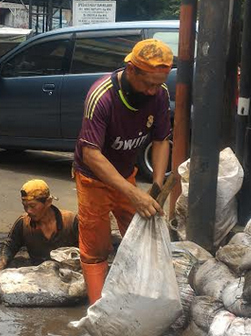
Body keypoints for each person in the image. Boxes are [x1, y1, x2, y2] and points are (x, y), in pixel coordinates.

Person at [73, 39, 173, 304]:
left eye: (158, 83)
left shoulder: (160, 94)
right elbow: (91, 154)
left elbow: (162, 139)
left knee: (138, 231)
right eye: (148, 83)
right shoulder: (102, 96)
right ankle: (97, 307)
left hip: (125, 173)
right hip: (92, 177)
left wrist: (157, 182)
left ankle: (134, 295)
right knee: (96, 245)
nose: (153, 90)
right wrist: (133, 193)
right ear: (131, 70)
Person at [0, 179, 78, 273]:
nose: (28, 211)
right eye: (25, 206)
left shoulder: (71, 220)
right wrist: (2, 262)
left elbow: (91, 251)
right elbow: (10, 244)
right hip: (39, 274)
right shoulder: (24, 223)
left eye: (32, 206)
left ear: (48, 202)